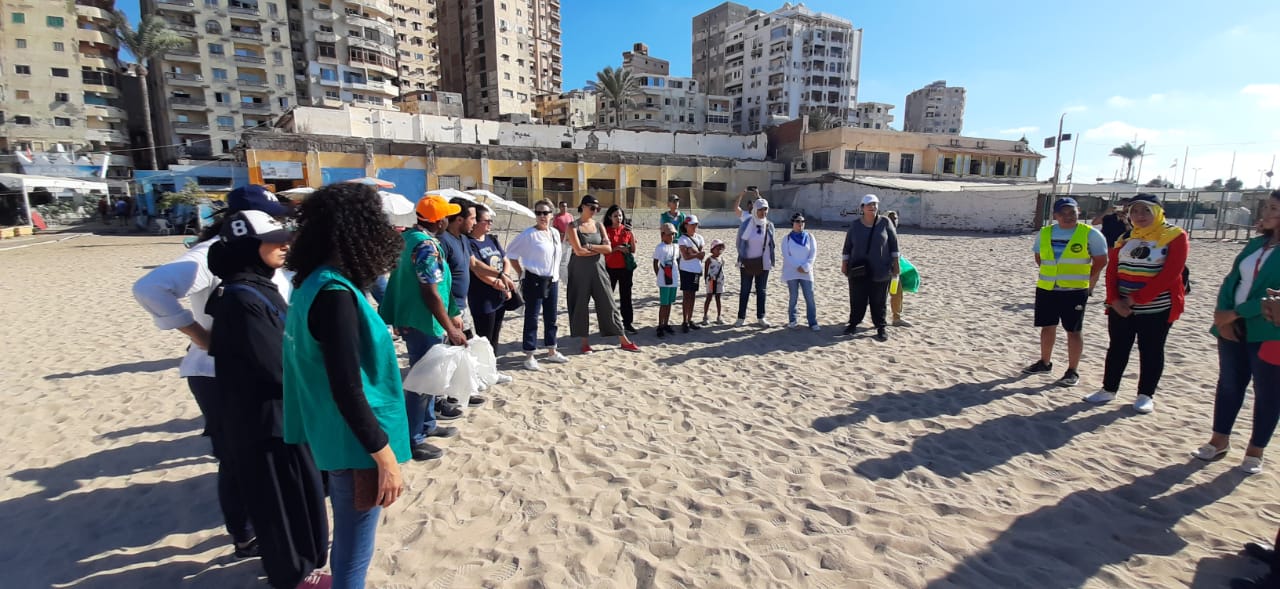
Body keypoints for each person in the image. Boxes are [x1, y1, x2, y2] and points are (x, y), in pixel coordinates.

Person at [132, 184, 293, 560]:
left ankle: (257, 523)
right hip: (220, 373)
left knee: (258, 454)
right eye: (272, 217)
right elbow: (149, 287)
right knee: (238, 459)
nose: (279, 225)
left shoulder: (261, 250)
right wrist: (202, 336)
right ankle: (245, 534)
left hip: (250, 368)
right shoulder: (210, 253)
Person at [281, 182, 411, 589]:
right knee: (356, 544)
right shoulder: (335, 294)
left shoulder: (312, 282)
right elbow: (348, 388)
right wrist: (385, 458)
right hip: (356, 444)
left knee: (348, 529)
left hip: (330, 432)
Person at [206, 211, 329, 589]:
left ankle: (303, 565)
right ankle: (293, 576)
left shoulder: (257, 286)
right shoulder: (240, 297)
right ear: (248, 247)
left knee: (298, 496)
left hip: (283, 416)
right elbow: (275, 366)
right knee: (279, 503)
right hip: (265, 422)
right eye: (274, 240)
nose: (284, 245)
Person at [1194, 189, 1280, 475]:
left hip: (1269, 330)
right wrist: (1224, 316)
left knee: (1268, 391)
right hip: (1231, 325)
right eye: (1267, 207)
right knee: (1229, 384)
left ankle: (1256, 451)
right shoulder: (1255, 244)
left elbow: (1275, 298)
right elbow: (1232, 280)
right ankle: (1219, 440)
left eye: (1274, 209)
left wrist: (1237, 313)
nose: (1266, 213)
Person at [378, 195, 466, 462]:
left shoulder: (409, 238)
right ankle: (414, 438)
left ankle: (427, 424)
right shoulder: (426, 246)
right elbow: (430, 292)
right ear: (438, 222)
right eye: (446, 217)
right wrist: (450, 327)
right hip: (422, 321)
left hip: (411, 317)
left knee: (428, 377)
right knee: (422, 380)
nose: (448, 220)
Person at [1084, 194, 1188, 414]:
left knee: (1151, 349)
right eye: (1135, 211)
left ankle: (1145, 395)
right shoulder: (1126, 237)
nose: (1140, 216)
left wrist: (1135, 299)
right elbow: (1112, 271)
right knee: (1117, 347)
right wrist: (1114, 300)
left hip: (1156, 307)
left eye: (1146, 210)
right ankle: (1108, 389)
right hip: (1121, 306)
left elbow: (1171, 273)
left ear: (1158, 212)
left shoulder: (1174, 236)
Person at [1022, 197, 1109, 387]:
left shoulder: (1090, 234)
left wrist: (1086, 278)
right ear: (1055, 215)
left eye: (1072, 212)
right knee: (1047, 326)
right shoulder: (1045, 232)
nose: (1068, 216)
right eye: (1063, 213)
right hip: (1047, 287)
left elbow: (1101, 260)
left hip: (1074, 290)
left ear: (1079, 212)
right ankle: (1044, 362)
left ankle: (1072, 370)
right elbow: (1039, 258)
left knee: (1073, 330)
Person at [566, 194, 640, 354]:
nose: (595, 211)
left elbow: (608, 249)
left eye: (597, 208)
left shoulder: (599, 225)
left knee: (609, 303)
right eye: (592, 207)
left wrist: (590, 246)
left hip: (599, 269)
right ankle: (584, 343)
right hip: (579, 271)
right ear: (583, 206)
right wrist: (597, 249)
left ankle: (624, 340)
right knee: (581, 305)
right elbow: (578, 251)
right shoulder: (572, 226)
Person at [506, 199, 570, 370]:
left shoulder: (554, 233)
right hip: (534, 279)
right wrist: (520, 272)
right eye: (538, 213)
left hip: (552, 280)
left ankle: (552, 350)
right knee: (532, 317)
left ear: (551, 214)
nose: (542, 216)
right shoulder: (529, 234)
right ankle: (529, 354)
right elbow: (511, 254)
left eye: (545, 213)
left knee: (551, 317)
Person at [435, 198, 486, 411]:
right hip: (449, 308)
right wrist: (451, 311)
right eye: (472, 218)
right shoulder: (443, 241)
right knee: (444, 354)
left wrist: (499, 275)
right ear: (459, 219)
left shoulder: (464, 239)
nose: (475, 222)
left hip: (461, 307)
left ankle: (459, 392)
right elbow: (439, 281)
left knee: (462, 350)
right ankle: (439, 400)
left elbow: (473, 264)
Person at [841, 194, 899, 342]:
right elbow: (847, 246)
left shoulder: (885, 222)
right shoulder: (855, 225)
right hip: (858, 269)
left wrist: (896, 264)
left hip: (881, 269)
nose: (872, 207)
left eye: (875, 204)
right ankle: (853, 323)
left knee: (879, 300)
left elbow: (894, 244)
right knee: (857, 298)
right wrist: (844, 263)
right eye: (869, 205)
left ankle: (880, 327)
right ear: (862, 208)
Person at [467, 204, 517, 349]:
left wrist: (505, 281)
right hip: (483, 297)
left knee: (495, 337)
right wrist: (497, 282)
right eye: (486, 220)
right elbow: (477, 269)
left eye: (491, 220)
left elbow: (505, 260)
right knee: (485, 339)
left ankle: (493, 362)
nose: (490, 223)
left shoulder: (492, 239)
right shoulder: (469, 243)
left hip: (499, 294)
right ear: (476, 222)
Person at [735, 197, 777, 328]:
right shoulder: (746, 223)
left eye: (765, 209)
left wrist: (771, 260)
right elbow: (739, 242)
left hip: (764, 263)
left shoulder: (769, 225)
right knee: (745, 290)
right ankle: (741, 318)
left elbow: (771, 244)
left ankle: (761, 317)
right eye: (760, 209)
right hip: (747, 262)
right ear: (755, 210)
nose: (763, 212)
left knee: (761, 290)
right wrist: (743, 257)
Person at [603, 204, 639, 334]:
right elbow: (604, 250)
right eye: (615, 216)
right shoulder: (606, 231)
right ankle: (608, 323)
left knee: (626, 297)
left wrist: (632, 234)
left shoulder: (626, 230)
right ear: (610, 217)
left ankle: (627, 323)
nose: (618, 218)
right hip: (610, 268)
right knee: (608, 297)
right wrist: (617, 248)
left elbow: (633, 249)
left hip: (625, 269)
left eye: (620, 215)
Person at [782, 212, 819, 331]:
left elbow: (813, 253)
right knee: (793, 297)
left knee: (809, 297)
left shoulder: (810, 237)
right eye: (798, 221)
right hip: (792, 271)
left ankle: (812, 322)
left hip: (806, 272)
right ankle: (792, 320)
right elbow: (786, 255)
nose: (800, 224)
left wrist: (806, 266)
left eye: (803, 221)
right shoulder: (786, 238)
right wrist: (797, 266)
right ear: (792, 223)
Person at [677, 215, 707, 333]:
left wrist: (692, 252)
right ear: (686, 225)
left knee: (693, 295)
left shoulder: (699, 237)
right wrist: (695, 254)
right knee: (686, 295)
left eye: (695, 224)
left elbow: (700, 254)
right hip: (686, 270)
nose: (694, 226)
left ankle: (690, 319)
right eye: (692, 225)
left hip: (696, 269)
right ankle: (684, 321)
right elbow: (686, 256)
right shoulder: (682, 239)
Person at [884, 211, 912, 327]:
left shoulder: (893, 233)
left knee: (897, 293)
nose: (894, 221)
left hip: (894, 270)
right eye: (891, 218)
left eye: (895, 218)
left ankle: (896, 318)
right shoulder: (882, 233)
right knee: (881, 295)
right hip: (883, 269)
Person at [653, 223, 680, 338]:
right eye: (669, 234)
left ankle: (666, 323)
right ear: (663, 235)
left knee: (669, 303)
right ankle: (660, 325)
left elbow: (677, 261)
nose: (671, 237)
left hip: (674, 277)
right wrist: (659, 275)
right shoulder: (660, 247)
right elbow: (655, 262)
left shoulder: (676, 247)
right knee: (663, 303)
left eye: (673, 234)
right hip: (664, 279)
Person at [701, 239, 726, 325]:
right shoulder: (709, 260)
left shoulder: (722, 259)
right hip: (711, 281)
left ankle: (719, 316)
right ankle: (705, 316)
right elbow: (706, 271)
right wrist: (706, 281)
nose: (719, 250)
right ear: (712, 249)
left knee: (718, 298)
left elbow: (722, 270)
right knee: (709, 297)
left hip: (720, 281)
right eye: (717, 248)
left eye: (721, 248)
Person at [553, 201, 574, 284]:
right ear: (559, 207)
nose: (564, 208)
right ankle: (558, 273)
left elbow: (573, 226)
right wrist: (560, 233)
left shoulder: (570, 216)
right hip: (560, 240)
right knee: (560, 257)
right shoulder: (557, 217)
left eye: (565, 206)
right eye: (562, 206)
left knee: (567, 258)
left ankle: (565, 274)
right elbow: (554, 228)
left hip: (569, 240)